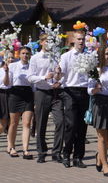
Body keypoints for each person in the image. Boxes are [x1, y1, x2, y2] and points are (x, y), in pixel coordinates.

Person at [28, 33, 64, 163]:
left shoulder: (55, 57)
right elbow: (30, 77)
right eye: (47, 41)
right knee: (41, 123)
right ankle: (41, 152)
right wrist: (44, 77)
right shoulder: (35, 58)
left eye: (51, 41)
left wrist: (59, 78)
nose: (50, 43)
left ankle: (56, 152)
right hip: (41, 92)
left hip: (55, 93)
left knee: (60, 122)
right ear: (42, 42)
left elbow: (60, 75)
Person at [88, 45, 108, 177]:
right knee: (101, 137)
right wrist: (97, 89)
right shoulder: (96, 70)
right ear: (101, 55)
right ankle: (105, 165)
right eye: (106, 54)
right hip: (100, 103)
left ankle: (99, 155)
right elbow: (89, 90)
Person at [59, 30, 90, 168]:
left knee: (82, 126)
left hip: (84, 92)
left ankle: (78, 157)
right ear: (73, 40)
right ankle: (66, 154)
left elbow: (92, 74)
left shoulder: (89, 56)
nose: (81, 41)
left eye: (83, 39)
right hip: (70, 91)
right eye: (78, 39)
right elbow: (61, 74)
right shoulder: (66, 56)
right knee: (71, 125)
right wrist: (56, 74)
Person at [6, 47, 34, 159]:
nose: (25, 55)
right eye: (23, 53)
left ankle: (25, 149)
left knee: (27, 123)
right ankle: (11, 147)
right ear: (19, 55)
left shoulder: (32, 67)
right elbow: (7, 83)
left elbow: (34, 83)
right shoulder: (13, 66)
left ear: (30, 55)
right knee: (14, 123)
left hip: (28, 94)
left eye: (27, 53)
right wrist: (7, 72)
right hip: (15, 93)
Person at [0, 51, 12, 136]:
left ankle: (10, 145)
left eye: (12, 58)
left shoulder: (15, 69)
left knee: (11, 121)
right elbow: (5, 83)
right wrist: (6, 72)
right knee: (3, 121)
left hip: (12, 94)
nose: (11, 60)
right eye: (9, 58)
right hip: (2, 94)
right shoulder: (1, 70)